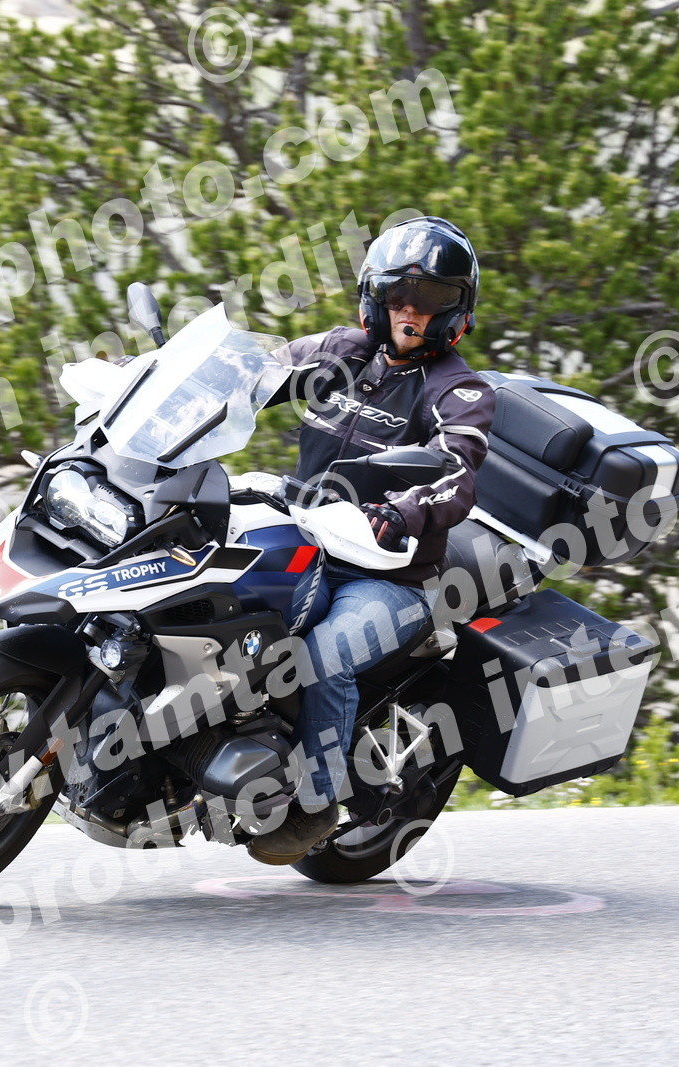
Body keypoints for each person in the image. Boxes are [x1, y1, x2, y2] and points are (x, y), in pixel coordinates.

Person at [244, 215, 496, 865]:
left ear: (455, 309)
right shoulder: (340, 352)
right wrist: (155, 381)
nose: (410, 309)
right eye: (397, 293)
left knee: (324, 654)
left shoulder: (459, 389)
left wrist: (403, 511)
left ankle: (315, 803)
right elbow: (254, 372)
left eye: (430, 296)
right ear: (374, 297)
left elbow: (457, 473)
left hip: (389, 577)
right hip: (307, 535)